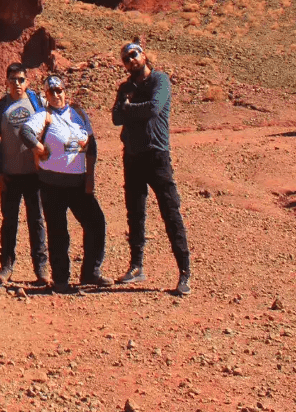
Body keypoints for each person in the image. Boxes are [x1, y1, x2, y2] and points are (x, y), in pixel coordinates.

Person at [112, 41, 192, 296]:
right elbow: (115, 118)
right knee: (135, 213)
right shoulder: (125, 87)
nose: (131, 60)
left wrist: (128, 108)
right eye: (126, 58)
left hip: (157, 156)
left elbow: (154, 109)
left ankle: (184, 272)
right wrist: (129, 109)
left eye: (133, 54)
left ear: (143, 55)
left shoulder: (160, 80)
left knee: (170, 212)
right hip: (132, 157)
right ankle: (136, 266)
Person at [21, 75, 111, 292]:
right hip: (52, 183)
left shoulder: (79, 114)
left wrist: (90, 177)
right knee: (58, 231)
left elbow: (91, 146)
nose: (56, 95)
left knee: (96, 223)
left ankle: (90, 272)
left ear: (64, 91)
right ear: (46, 95)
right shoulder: (44, 115)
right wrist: (39, 148)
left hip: (78, 183)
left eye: (59, 90)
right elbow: (25, 132)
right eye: (51, 92)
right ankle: (61, 279)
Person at [0, 63, 49, 286]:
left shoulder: (37, 103)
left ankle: (41, 268)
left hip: (35, 174)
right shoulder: (0, 108)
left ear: (27, 82)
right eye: (13, 79)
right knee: (9, 222)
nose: (17, 83)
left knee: (37, 221)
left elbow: (50, 129)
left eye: (21, 79)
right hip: (10, 174)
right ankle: (6, 265)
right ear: (6, 82)